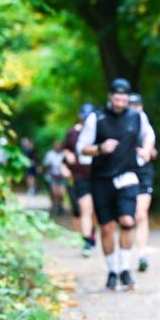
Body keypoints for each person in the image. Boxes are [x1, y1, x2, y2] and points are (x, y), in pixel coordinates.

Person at [76, 78, 156, 291]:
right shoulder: (96, 118)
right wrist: (100, 148)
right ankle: (112, 271)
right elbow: (82, 147)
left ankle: (125, 269)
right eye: (117, 98)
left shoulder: (137, 116)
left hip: (128, 176)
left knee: (128, 221)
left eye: (124, 99)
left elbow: (149, 136)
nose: (120, 103)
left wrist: (147, 150)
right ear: (110, 97)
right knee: (108, 227)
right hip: (102, 178)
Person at [63, 103, 98, 256]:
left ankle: (92, 233)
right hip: (80, 175)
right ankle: (87, 241)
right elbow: (65, 149)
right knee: (85, 208)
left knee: (95, 210)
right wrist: (68, 156)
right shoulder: (73, 133)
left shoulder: (100, 131)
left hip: (97, 175)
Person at [129, 93, 157, 272]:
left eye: (137, 105)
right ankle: (123, 255)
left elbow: (150, 145)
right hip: (124, 172)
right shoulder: (119, 123)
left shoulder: (144, 123)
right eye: (131, 105)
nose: (135, 108)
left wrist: (147, 151)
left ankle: (142, 254)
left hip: (143, 172)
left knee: (141, 213)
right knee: (127, 216)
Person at [42, 140, 71, 217]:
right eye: (56, 145)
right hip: (52, 176)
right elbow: (46, 165)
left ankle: (60, 205)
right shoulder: (49, 154)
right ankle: (56, 206)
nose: (57, 146)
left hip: (62, 177)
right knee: (54, 193)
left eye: (59, 145)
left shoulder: (64, 154)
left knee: (62, 193)